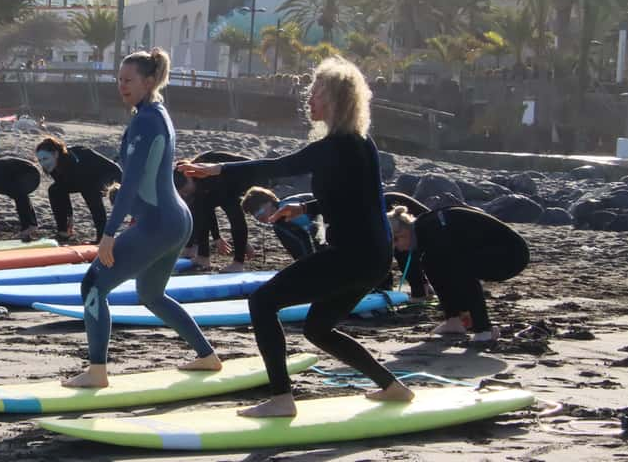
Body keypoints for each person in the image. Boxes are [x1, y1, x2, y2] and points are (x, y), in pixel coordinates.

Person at [180, 56, 412, 417]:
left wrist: (218, 169)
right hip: (371, 256)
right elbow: (355, 198)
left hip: (350, 256)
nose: (309, 99)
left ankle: (281, 398)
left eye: (316, 92)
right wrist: (304, 209)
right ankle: (392, 387)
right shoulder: (359, 144)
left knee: (262, 302)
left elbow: (277, 167)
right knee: (318, 329)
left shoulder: (335, 146)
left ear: (336, 100)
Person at [64, 48, 221, 388]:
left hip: (159, 223)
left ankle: (97, 371)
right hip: (175, 220)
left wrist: (109, 233)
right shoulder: (156, 112)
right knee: (151, 294)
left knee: (92, 285)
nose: (122, 86)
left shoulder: (146, 120)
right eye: (119, 80)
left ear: (149, 81)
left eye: (129, 80)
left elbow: (132, 181)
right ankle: (207, 356)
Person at [388, 205, 529, 343]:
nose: (396, 246)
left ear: (406, 230)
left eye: (397, 239)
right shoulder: (422, 229)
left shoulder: (431, 229)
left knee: (460, 269)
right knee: (431, 262)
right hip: (487, 250)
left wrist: (465, 309)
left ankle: (483, 330)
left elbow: (459, 275)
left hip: (512, 255)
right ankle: (453, 321)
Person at [173, 151, 253, 271]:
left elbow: (235, 217)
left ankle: (238, 263)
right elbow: (205, 211)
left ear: (188, 177)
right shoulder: (197, 182)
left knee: (233, 213)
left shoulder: (211, 178)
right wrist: (216, 237)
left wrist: (242, 242)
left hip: (248, 176)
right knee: (197, 206)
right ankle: (202, 256)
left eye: (185, 191)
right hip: (220, 181)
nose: (185, 194)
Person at [35, 136, 121, 244]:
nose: (43, 163)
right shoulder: (52, 165)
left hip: (109, 175)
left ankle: (101, 237)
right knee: (55, 190)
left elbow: (96, 206)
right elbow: (62, 190)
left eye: (45, 159)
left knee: (90, 193)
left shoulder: (76, 165)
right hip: (84, 176)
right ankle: (64, 231)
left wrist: (100, 239)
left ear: (55, 154)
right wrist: (69, 217)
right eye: (40, 160)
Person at [240, 186, 321, 261]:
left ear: (270, 202)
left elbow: (303, 238)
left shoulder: (285, 209)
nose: (258, 216)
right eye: (254, 214)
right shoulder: (279, 217)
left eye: (260, 211)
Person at [381, 192, 432, 300]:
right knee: (388, 254)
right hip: (394, 220)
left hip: (407, 222)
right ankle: (385, 290)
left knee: (404, 255)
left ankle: (420, 292)